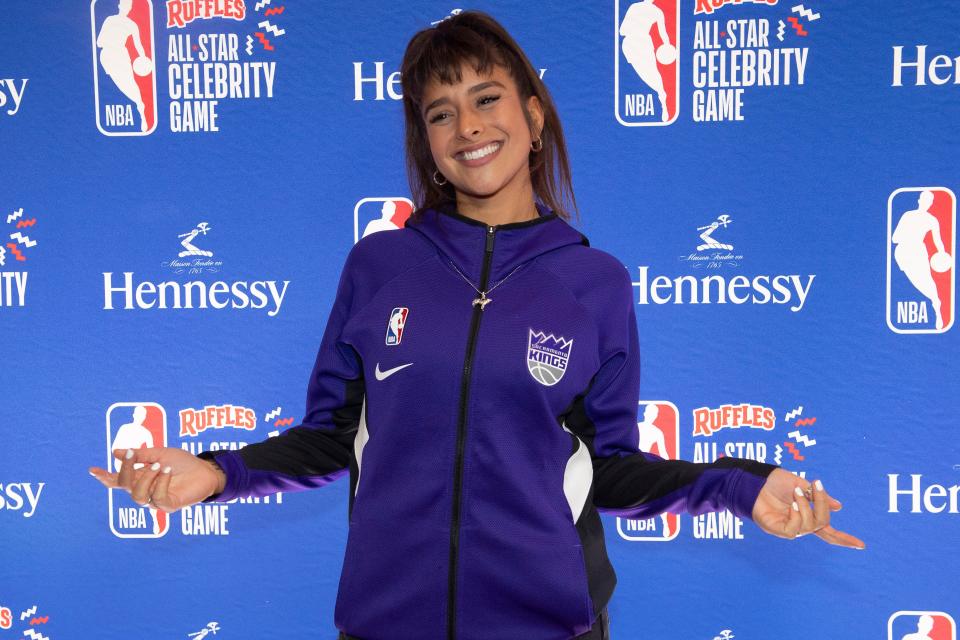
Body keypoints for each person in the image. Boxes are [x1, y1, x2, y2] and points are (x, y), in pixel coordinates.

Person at [88, 10, 865, 639]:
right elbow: (332, 435)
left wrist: (745, 486)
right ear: (426, 144)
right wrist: (219, 472)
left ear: (532, 114)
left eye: (486, 98)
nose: (467, 127)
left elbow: (612, 468)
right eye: (440, 112)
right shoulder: (380, 265)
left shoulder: (594, 282)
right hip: (384, 626)